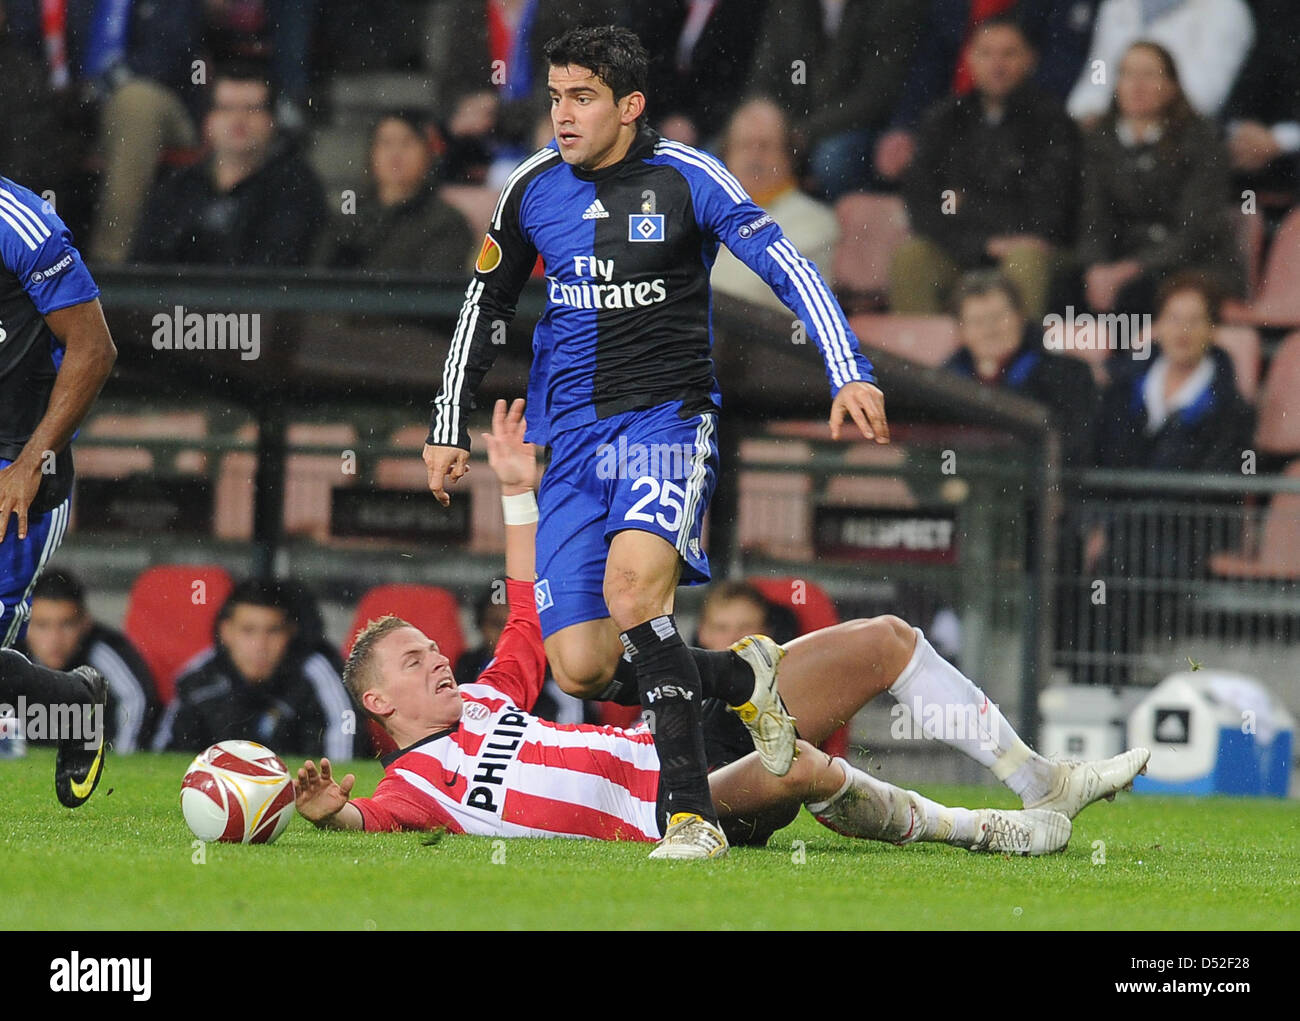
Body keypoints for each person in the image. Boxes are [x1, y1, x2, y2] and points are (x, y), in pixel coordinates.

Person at [422, 26, 888, 859]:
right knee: (580, 666)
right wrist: (446, 424)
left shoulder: (690, 178)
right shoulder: (530, 189)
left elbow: (789, 266)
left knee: (636, 594)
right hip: (567, 445)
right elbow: (483, 308)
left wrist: (846, 369)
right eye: (556, 96)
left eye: (583, 98)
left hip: (663, 425)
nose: (562, 115)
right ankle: (745, 678)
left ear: (630, 107)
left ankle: (689, 815)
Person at [298, 398, 1149, 854]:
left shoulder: (488, 698)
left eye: (432, 647)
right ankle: (985, 831)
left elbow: (527, 602)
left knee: (887, 637)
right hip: (663, 807)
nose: (439, 658)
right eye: (414, 660)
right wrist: (329, 813)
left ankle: (1043, 784)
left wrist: (516, 485)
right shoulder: (413, 787)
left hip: (673, 732)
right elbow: (367, 824)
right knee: (799, 766)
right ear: (377, 698)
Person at [0, 173, 117, 806]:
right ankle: (76, 703)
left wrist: (28, 462)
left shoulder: (19, 222)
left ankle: (78, 705)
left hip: (16, 471)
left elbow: (95, 349)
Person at [891, 17, 1080, 320]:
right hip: (965, 248)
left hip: (1030, 251)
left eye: (1008, 53)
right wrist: (984, 243)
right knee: (912, 257)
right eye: (986, 53)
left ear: (1030, 59)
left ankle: (1018, 362)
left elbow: (1048, 213)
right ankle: (918, 363)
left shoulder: (1053, 122)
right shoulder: (943, 119)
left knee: (1026, 258)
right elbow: (922, 207)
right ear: (969, 58)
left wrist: (965, 205)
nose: (997, 64)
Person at [1074, 41, 1241, 316]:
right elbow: (1094, 219)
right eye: (1127, 74)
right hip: (1122, 263)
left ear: (1173, 86)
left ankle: (1131, 360)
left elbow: (1195, 230)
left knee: (1138, 294)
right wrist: (1096, 268)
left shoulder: (1202, 141)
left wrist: (1130, 268)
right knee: (1066, 288)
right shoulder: (1100, 142)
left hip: (1192, 265)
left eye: (1149, 75)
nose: (1137, 85)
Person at [132, 61, 327, 267]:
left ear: (272, 121)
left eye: (252, 109)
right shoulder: (178, 187)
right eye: (226, 108)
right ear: (208, 121)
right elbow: (143, 264)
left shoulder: (295, 188)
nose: (238, 119)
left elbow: (279, 268)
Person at [152, 578, 358, 759]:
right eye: (248, 631)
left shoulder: (318, 675)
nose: (260, 645)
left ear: (290, 633)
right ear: (226, 632)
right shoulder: (198, 678)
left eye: (273, 631)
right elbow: (162, 759)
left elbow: (342, 760)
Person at [944, 270, 1097, 466]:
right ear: (961, 331)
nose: (989, 330)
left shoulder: (1069, 375)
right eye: (977, 321)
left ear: (1020, 317)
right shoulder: (944, 383)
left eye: (998, 316)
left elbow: (1075, 451)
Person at [708, 98, 838, 313]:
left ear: (789, 155)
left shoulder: (815, 223)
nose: (754, 156)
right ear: (726, 153)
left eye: (765, 146)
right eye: (744, 146)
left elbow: (749, 290)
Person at [316, 110, 474, 275]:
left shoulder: (446, 222)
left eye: (407, 143)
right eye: (386, 143)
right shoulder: (351, 214)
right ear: (371, 154)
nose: (395, 154)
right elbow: (320, 278)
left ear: (427, 153)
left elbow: (433, 290)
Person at [20, 568, 160, 752]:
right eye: (42, 625)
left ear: (85, 623)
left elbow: (137, 699)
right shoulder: (11, 653)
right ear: (23, 623)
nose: (55, 639)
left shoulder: (104, 652)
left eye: (66, 624)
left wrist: (123, 755)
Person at [1065, 0, 1254, 122]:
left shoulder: (1225, 10)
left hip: (1179, 140)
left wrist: (1133, 115)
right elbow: (1099, 71)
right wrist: (1086, 111)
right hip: (1116, 135)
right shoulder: (1118, 6)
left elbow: (1203, 96)